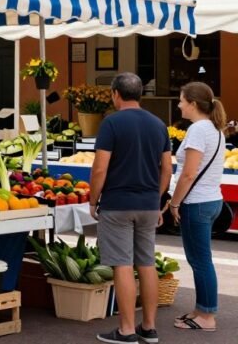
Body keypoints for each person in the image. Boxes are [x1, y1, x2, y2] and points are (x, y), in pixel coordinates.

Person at [89, 73, 172, 344]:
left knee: (122, 265)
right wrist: (156, 199)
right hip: (149, 204)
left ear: (115, 94)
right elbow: (167, 169)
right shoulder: (159, 125)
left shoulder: (111, 123)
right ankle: (148, 328)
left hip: (118, 204)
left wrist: (93, 200)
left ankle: (126, 330)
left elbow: (100, 167)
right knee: (146, 264)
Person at [168, 82, 226, 331]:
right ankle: (201, 310)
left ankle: (206, 316)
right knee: (202, 259)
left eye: (181, 100)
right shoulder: (215, 129)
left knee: (200, 261)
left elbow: (188, 173)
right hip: (212, 199)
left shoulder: (198, 130)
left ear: (192, 104)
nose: (179, 104)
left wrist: (174, 202)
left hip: (196, 202)